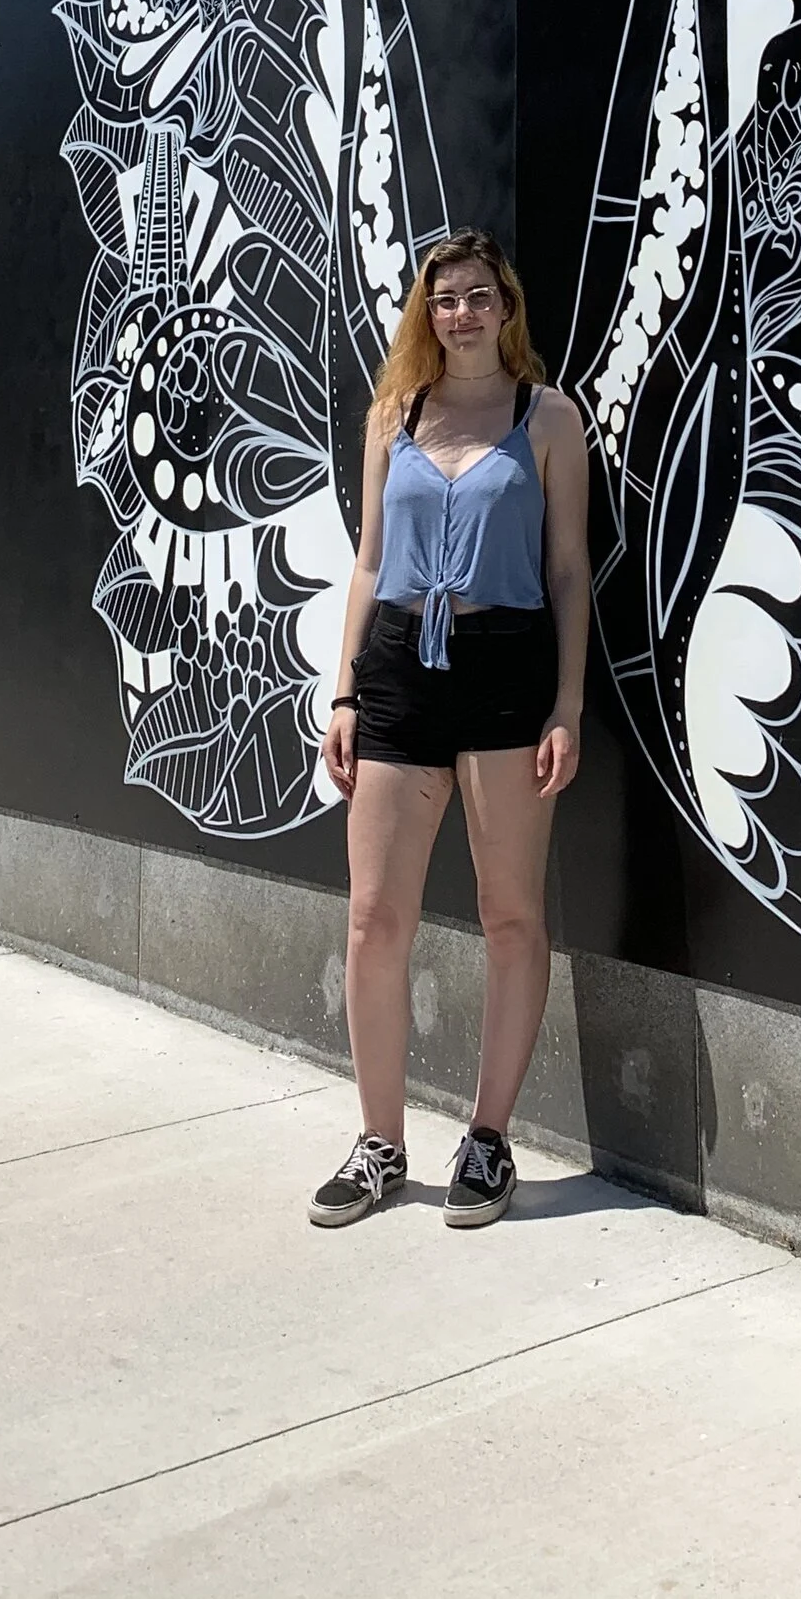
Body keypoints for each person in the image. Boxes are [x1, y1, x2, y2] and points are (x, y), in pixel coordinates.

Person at [309, 228, 590, 1230]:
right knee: (373, 915)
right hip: (397, 667)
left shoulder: (547, 419)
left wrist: (567, 704)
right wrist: (344, 694)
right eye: (443, 300)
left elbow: (567, 570)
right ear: (425, 316)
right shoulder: (396, 413)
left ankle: (487, 1138)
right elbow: (368, 562)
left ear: (506, 308)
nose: (460, 313)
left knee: (508, 912)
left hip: (508, 666)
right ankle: (380, 1144)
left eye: (477, 296)